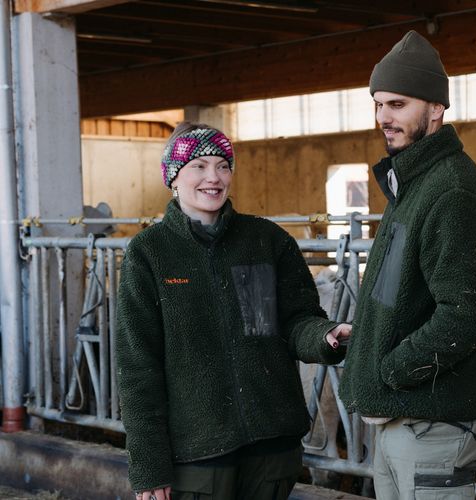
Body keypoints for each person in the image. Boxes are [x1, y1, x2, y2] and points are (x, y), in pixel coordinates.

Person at [115, 122, 351, 500]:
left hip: (271, 448)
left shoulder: (265, 240)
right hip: (197, 455)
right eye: (199, 166)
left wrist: (323, 336)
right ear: (173, 177)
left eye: (223, 166)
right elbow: (137, 368)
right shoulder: (149, 255)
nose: (214, 177)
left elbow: (296, 320)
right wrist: (147, 467)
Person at [338, 31, 476, 500]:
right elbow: (401, 291)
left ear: (435, 108)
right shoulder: (412, 182)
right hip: (402, 419)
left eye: (397, 104)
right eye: (378, 104)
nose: (383, 117)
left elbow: (466, 313)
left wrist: (390, 369)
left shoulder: (452, 191)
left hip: (434, 424)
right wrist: (371, 336)